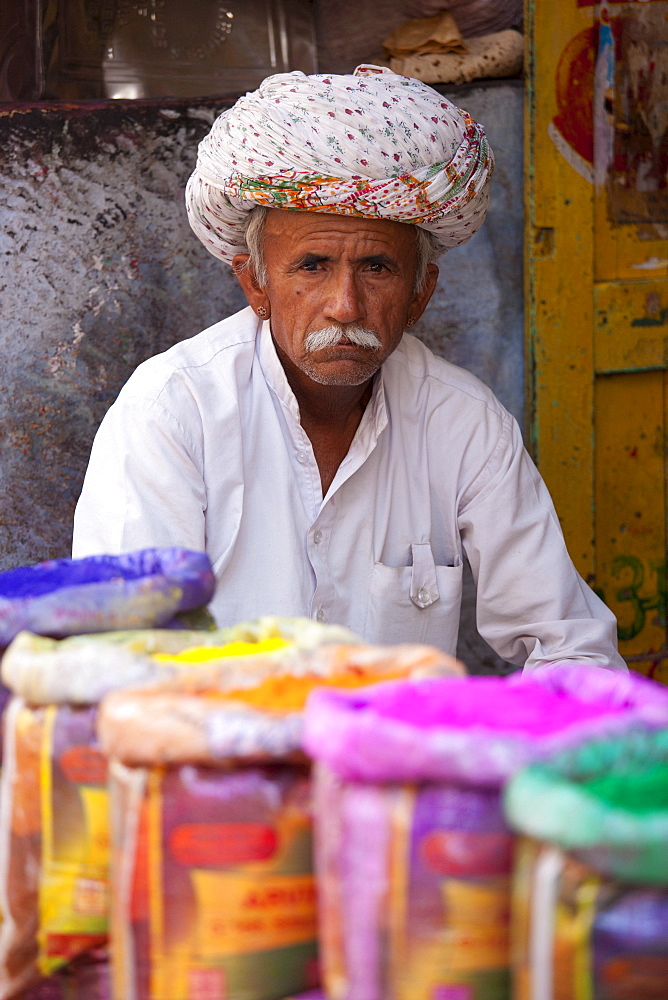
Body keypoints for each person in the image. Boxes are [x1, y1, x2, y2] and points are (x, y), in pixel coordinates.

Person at [73, 65, 626, 672]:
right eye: (312, 265)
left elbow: (571, 645)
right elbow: (123, 657)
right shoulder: (173, 411)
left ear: (421, 293)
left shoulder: (464, 423)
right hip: (211, 755)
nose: (345, 305)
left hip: (393, 765)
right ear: (255, 282)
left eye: (378, 269)